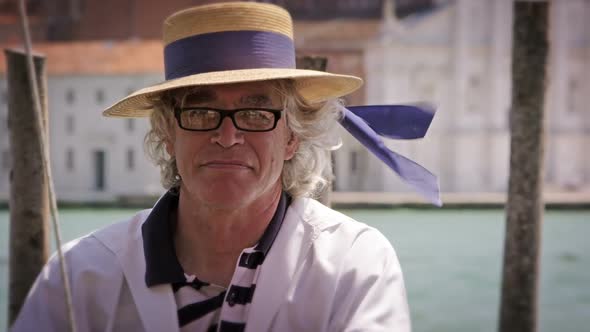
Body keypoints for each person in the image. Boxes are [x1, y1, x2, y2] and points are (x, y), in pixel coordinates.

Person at [10, 2, 433, 331]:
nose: (228, 137)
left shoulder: (355, 263)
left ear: (292, 136)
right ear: (167, 135)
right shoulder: (81, 273)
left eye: (255, 113)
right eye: (200, 112)